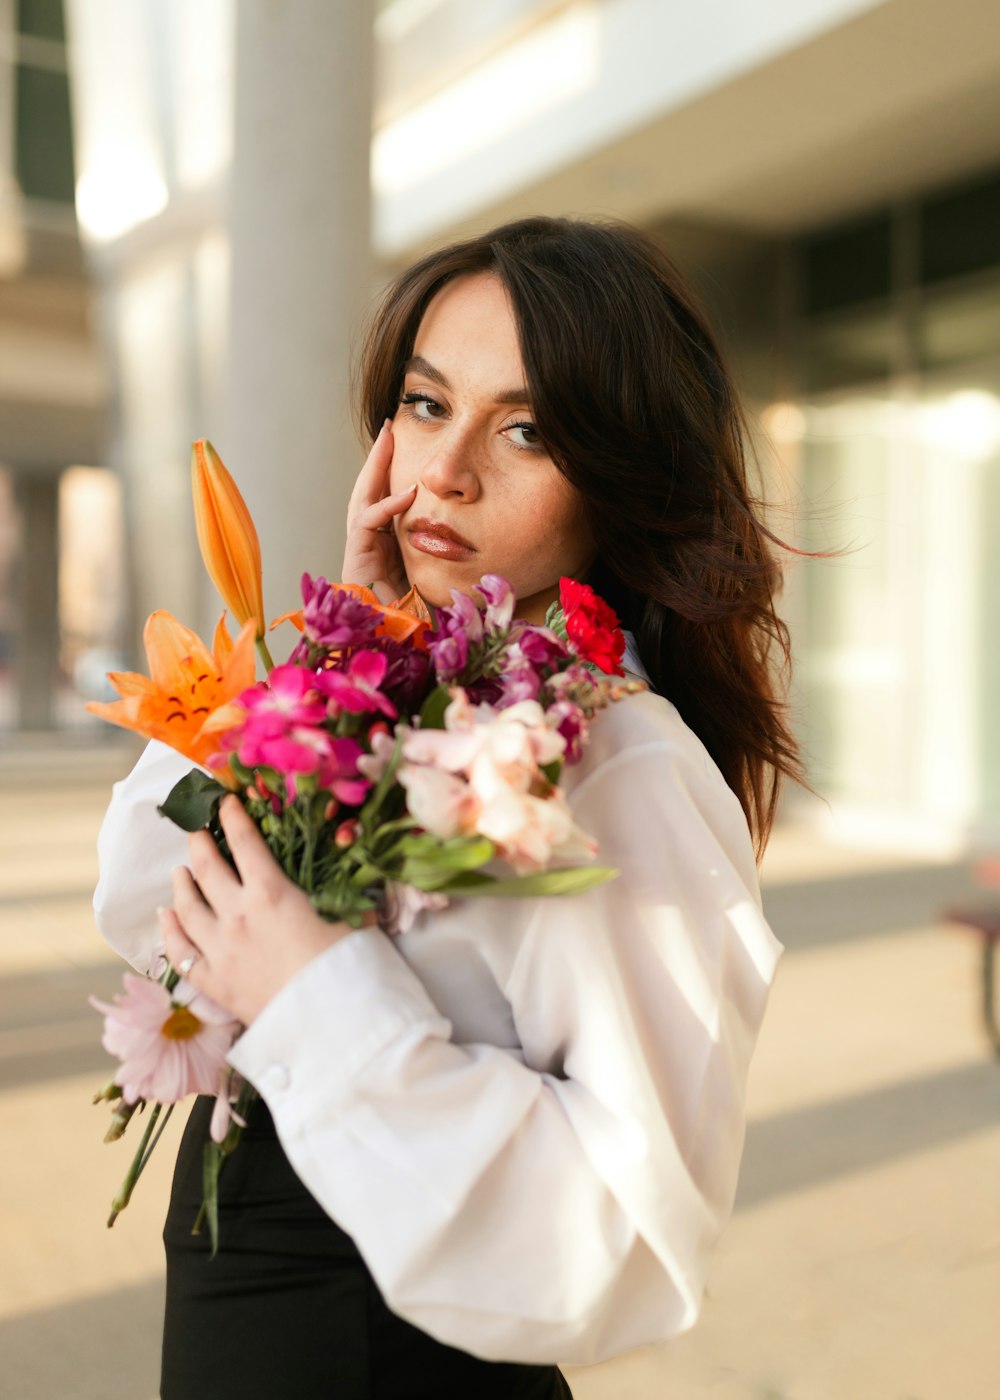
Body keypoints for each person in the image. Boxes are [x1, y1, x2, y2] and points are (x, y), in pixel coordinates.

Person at [93, 216, 799, 1399]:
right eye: (426, 404)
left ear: (622, 478)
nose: (446, 472)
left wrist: (316, 999)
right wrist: (333, 668)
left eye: (524, 429)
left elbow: (627, 1236)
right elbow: (143, 904)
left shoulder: (621, 762)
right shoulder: (390, 685)